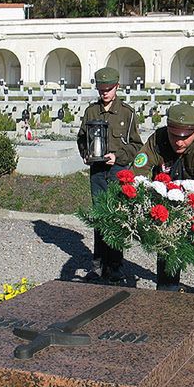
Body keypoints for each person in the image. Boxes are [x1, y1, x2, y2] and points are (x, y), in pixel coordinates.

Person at [131, 103, 194, 294]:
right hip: (165, 195)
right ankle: (167, 289)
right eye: (174, 136)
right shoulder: (158, 139)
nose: (179, 142)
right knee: (166, 240)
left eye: (185, 137)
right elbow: (137, 171)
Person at [77, 67, 143, 283]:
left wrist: (119, 157)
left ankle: (115, 266)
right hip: (97, 171)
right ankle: (98, 266)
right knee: (99, 217)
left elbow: (136, 146)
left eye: (109, 89)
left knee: (115, 218)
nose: (104, 93)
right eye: (101, 89)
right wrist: (86, 154)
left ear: (117, 87)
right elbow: (81, 138)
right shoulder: (91, 112)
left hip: (117, 170)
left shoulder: (127, 113)